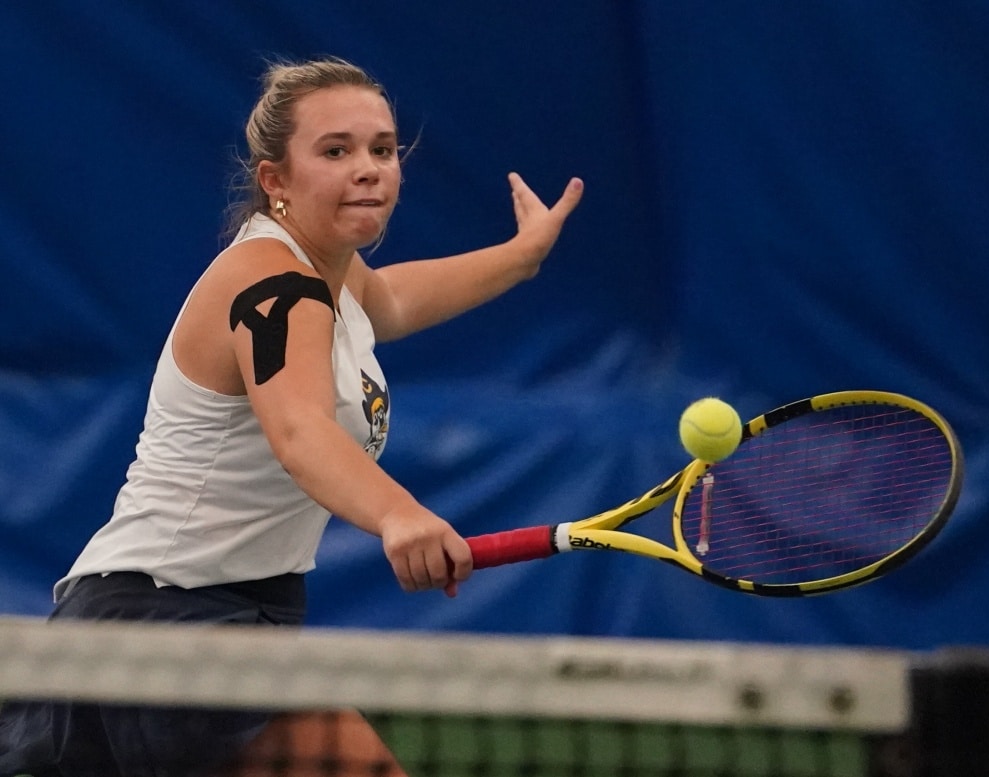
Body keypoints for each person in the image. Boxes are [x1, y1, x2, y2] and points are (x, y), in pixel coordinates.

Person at [0, 56, 583, 777]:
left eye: (382, 148)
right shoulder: (274, 281)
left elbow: (393, 301)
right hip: (166, 618)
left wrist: (521, 257)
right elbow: (299, 431)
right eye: (335, 151)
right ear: (275, 181)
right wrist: (399, 514)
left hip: (222, 615)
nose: (368, 168)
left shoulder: (334, 280)